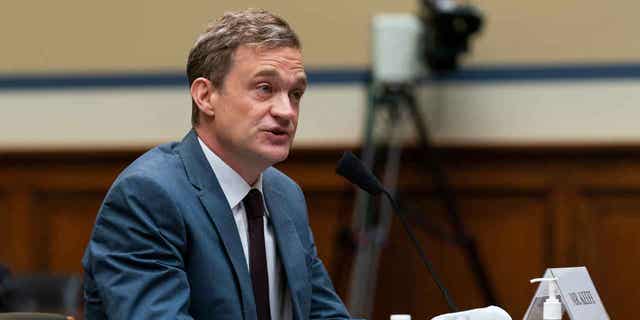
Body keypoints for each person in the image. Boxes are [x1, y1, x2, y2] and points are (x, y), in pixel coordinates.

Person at [82, 9, 350, 320]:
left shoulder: (285, 194)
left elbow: (324, 314)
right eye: (265, 88)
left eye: (296, 93)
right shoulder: (148, 195)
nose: (286, 111)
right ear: (205, 96)